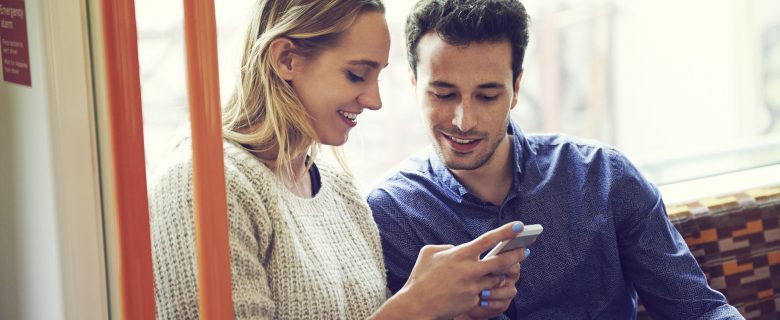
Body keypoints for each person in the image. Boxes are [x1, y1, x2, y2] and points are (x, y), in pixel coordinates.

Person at [149, 0, 528, 319]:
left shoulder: (341, 192)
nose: (375, 100)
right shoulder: (204, 184)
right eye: (356, 74)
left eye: (378, 76)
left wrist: (445, 308)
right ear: (286, 59)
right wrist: (413, 306)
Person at [367, 0, 745, 319]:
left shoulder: (604, 177)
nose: (464, 120)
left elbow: (699, 310)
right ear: (415, 85)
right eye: (443, 94)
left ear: (516, 89)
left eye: (487, 96)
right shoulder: (392, 214)